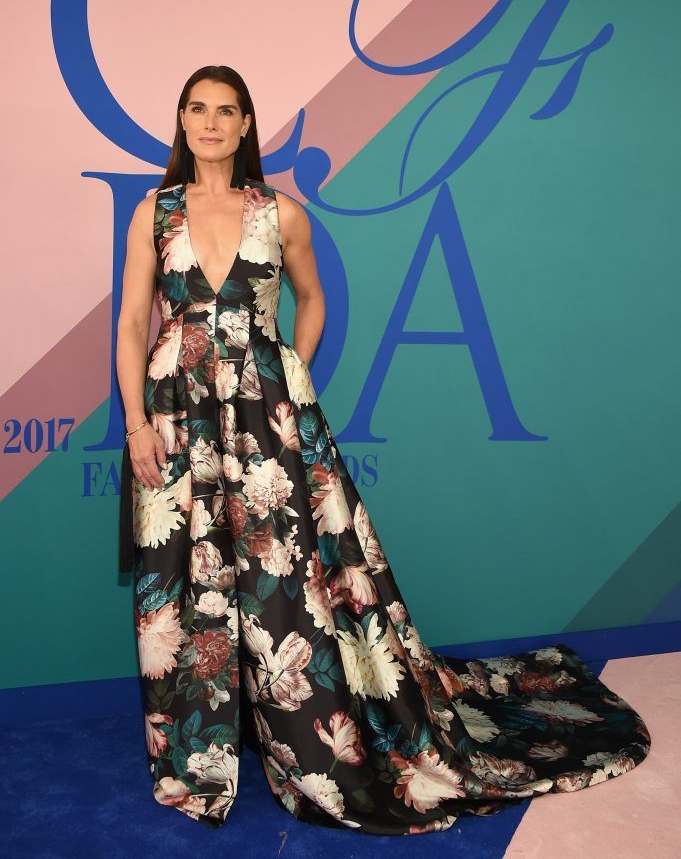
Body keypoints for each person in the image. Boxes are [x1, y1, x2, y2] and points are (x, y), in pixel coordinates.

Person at [116, 64, 651, 834]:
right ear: (182, 121)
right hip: (173, 416)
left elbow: (314, 296)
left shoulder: (279, 211)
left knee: (282, 578)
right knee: (180, 581)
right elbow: (135, 322)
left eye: (225, 111)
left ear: (244, 125)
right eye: (196, 109)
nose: (209, 123)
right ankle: (193, 759)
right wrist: (135, 423)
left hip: (268, 416)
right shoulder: (155, 212)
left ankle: (303, 743)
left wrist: (290, 372)